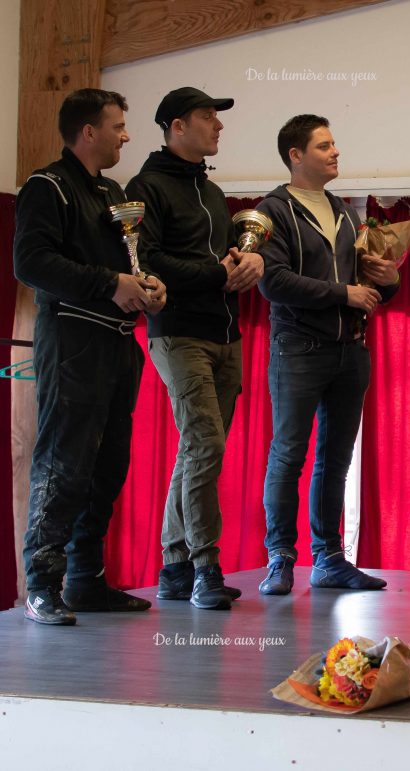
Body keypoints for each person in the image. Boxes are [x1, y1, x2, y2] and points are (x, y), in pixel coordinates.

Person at [15, 88, 166, 625]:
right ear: (88, 132)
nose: (126, 134)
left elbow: (126, 261)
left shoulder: (112, 191)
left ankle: (84, 580)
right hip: (73, 340)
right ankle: (42, 586)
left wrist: (146, 284)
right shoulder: (46, 186)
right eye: (118, 125)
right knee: (64, 463)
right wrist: (111, 283)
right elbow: (31, 263)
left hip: (118, 344)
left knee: (108, 465)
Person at [127, 87, 264, 610]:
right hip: (178, 331)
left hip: (226, 333)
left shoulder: (210, 191)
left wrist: (249, 265)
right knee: (206, 445)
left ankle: (172, 564)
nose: (219, 126)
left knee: (196, 449)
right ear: (177, 126)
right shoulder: (147, 187)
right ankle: (206, 565)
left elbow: (228, 257)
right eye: (208, 117)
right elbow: (149, 261)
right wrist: (217, 273)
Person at [255, 114, 396, 596]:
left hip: (349, 350)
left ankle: (330, 559)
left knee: (336, 459)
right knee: (289, 454)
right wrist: (344, 293)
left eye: (334, 144)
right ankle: (279, 559)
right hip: (298, 348)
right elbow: (271, 282)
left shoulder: (344, 209)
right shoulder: (271, 210)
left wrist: (385, 280)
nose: (335, 152)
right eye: (324, 146)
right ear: (295, 155)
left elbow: (361, 287)